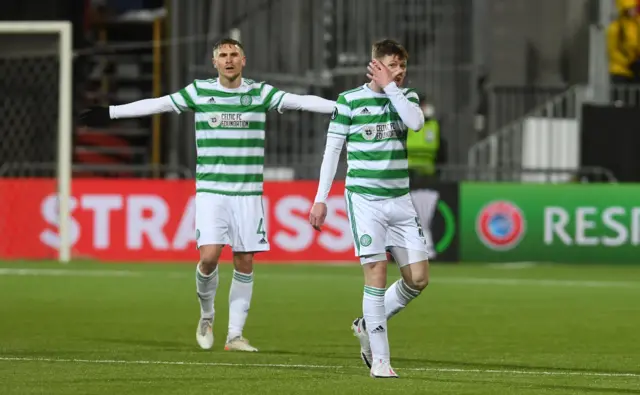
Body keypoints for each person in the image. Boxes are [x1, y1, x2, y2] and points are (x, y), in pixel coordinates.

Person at [79, 37, 335, 352]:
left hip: (247, 193)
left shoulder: (259, 93)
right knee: (209, 257)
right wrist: (112, 112)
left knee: (244, 261)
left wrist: (341, 108)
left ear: (244, 60)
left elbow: (300, 100)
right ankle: (206, 314)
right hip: (212, 190)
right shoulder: (199, 92)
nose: (228, 60)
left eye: (234, 54)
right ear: (214, 63)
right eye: (222, 55)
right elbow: (158, 103)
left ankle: (235, 336)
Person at [308, 39, 430, 378]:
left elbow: (416, 124)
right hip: (365, 199)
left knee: (418, 279)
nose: (400, 72)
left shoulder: (407, 99)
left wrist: (391, 88)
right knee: (376, 273)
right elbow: (332, 153)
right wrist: (320, 198)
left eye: (402, 66)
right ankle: (380, 360)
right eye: (393, 65)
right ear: (375, 65)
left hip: (400, 201)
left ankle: (365, 323)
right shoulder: (348, 101)